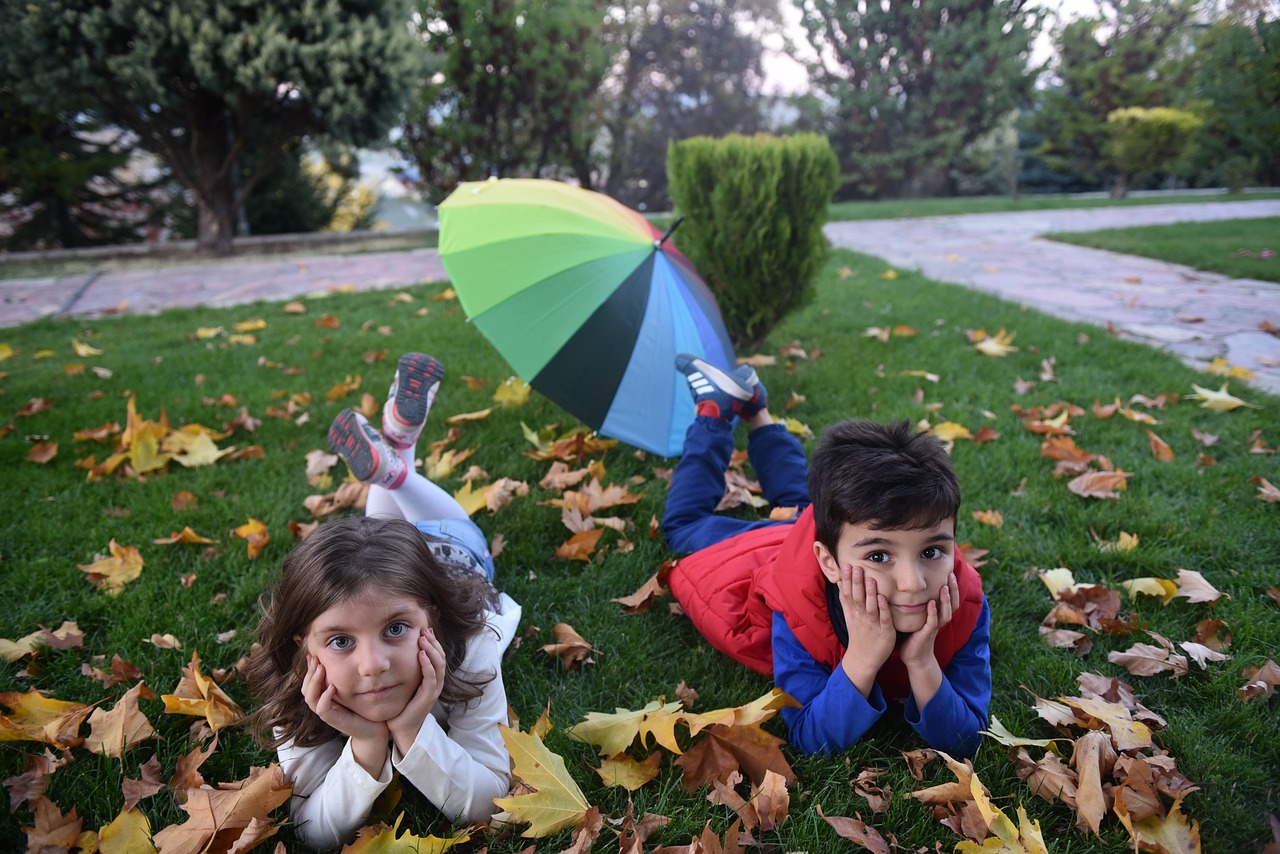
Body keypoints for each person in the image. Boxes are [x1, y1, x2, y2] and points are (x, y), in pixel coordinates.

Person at [247, 353, 520, 851]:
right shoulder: (298, 685)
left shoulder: (475, 645)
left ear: (432, 619)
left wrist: (414, 731)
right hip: (401, 561)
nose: (372, 667)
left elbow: (489, 802)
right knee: (382, 539)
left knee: (440, 534)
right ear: (303, 647)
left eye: (396, 628)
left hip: (453, 559)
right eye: (340, 640)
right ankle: (394, 461)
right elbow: (311, 833)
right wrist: (369, 746)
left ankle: (395, 466)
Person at [662, 355, 990, 758]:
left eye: (933, 550)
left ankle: (757, 409)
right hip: (771, 551)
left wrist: (922, 662)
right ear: (829, 562)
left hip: (829, 534)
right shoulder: (799, 607)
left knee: (811, 505)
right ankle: (713, 412)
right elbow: (807, 735)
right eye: (880, 556)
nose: (914, 582)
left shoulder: (965, 600)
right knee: (682, 527)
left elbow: (968, 739)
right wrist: (863, 658)